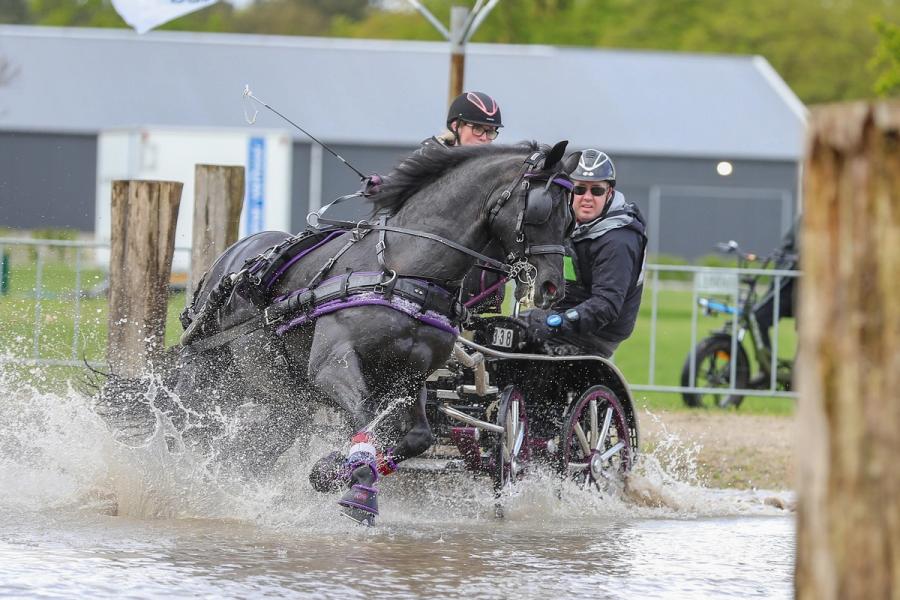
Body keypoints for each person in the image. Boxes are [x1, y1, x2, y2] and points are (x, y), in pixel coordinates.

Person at [527, 149, 647, 358]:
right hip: (561, 316)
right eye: (580, 189)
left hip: (597, 334)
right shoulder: (566, 224)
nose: (587, 198)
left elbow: (606, 304)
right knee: (500, 335)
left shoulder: (618, 240)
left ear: (609, 193)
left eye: (597, 191)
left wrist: (557, 322)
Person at [753, 219, 800, 350]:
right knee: (758, 318)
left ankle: (801, 368)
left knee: (809, 328)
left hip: (811, 293)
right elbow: (786, 249)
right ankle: (767, 366)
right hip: (786, 286)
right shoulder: (805, 220)